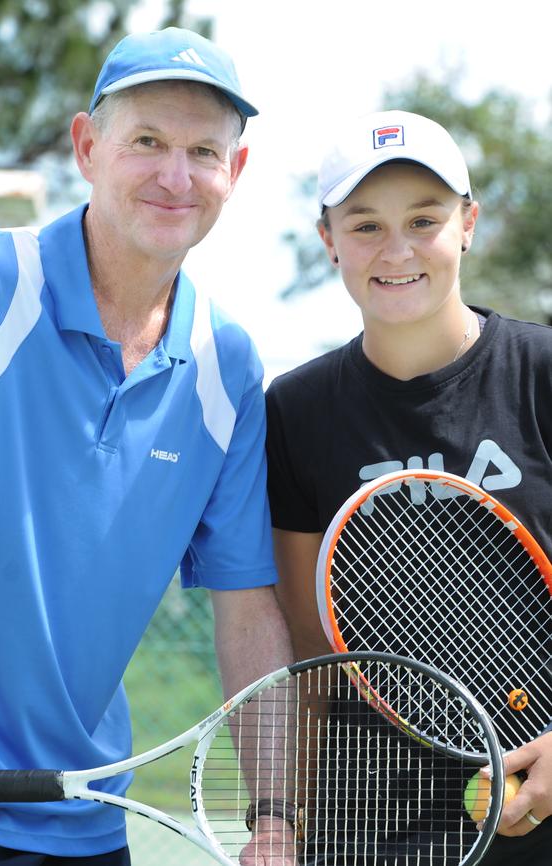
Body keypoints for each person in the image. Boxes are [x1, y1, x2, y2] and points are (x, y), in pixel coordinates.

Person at [0, 27, 295, 865]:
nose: (174, 175)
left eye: (202, 151)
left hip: (87, 828)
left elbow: (247, 611)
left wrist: (274, 820)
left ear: (237, 172)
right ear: (87, 146)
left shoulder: (228, 366)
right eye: (147, 141)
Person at [265, 109, 552, 864]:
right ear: (327, 240)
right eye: (365, 226)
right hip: (370, 814)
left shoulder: (541, 373)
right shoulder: (294, 411)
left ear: (468, 224)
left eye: (424, 219)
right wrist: (282, 820)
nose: (396, 250)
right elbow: (307, 647)